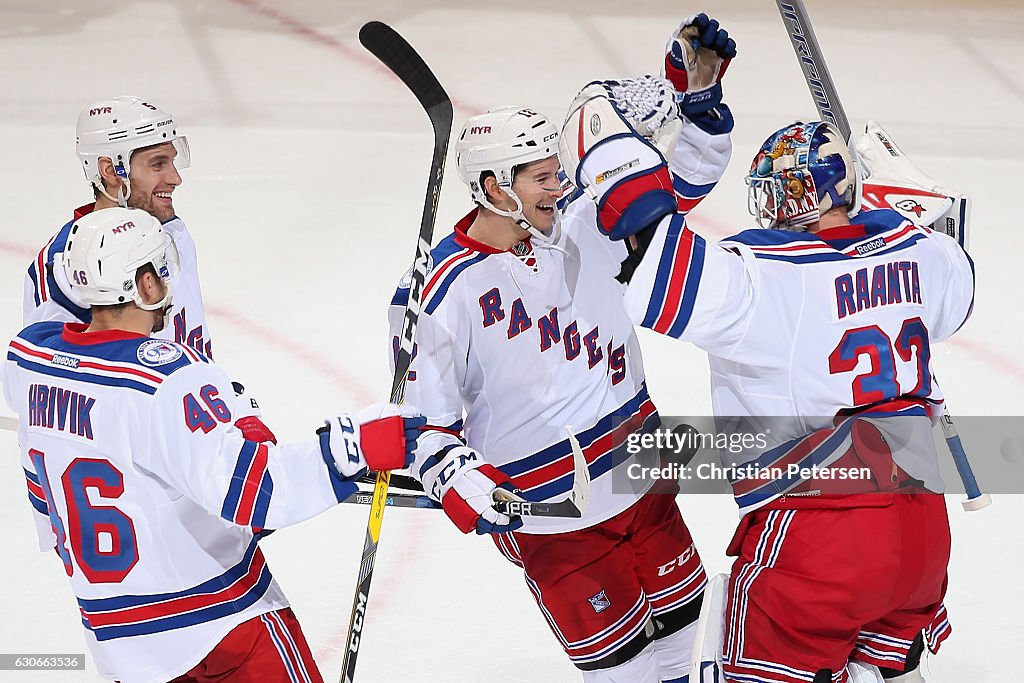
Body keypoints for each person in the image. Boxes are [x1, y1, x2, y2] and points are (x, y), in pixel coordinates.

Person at [562, 87, 973, 681]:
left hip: (818, 532)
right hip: (922, 528)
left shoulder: (761, 277)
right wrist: (896, 199)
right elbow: (954, 258)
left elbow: (650, 244)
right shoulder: (922, 253)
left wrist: (605, 148)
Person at [387, 15, 736, 682]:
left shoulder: (582, 226)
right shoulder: (439, 289)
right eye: (543, 177)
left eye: (558, 171)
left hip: (643, 478)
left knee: (684, 641)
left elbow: (677, 189)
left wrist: (699, 106)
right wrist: (466, 483)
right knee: (625, 671)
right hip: (556, 516)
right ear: (495, 187)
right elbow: (420, 426)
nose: (560, 185)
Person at [3, 207, 424, 683]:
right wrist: (354, 447)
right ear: (144, 284)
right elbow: (256, 494)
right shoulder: (164, 377)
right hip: (222, 622)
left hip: (119, 642)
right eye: (160, 269)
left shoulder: (28, 359)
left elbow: (50, 487)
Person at [23, 94, 276, 444]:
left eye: (173, 161)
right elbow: (48, 390)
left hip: (195, 440)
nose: (175, 179)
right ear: (111, 171)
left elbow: (190, 350)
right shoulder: (65, 271)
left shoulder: (170, 232)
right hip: (142, 471)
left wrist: (234, 408)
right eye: (157, 164)